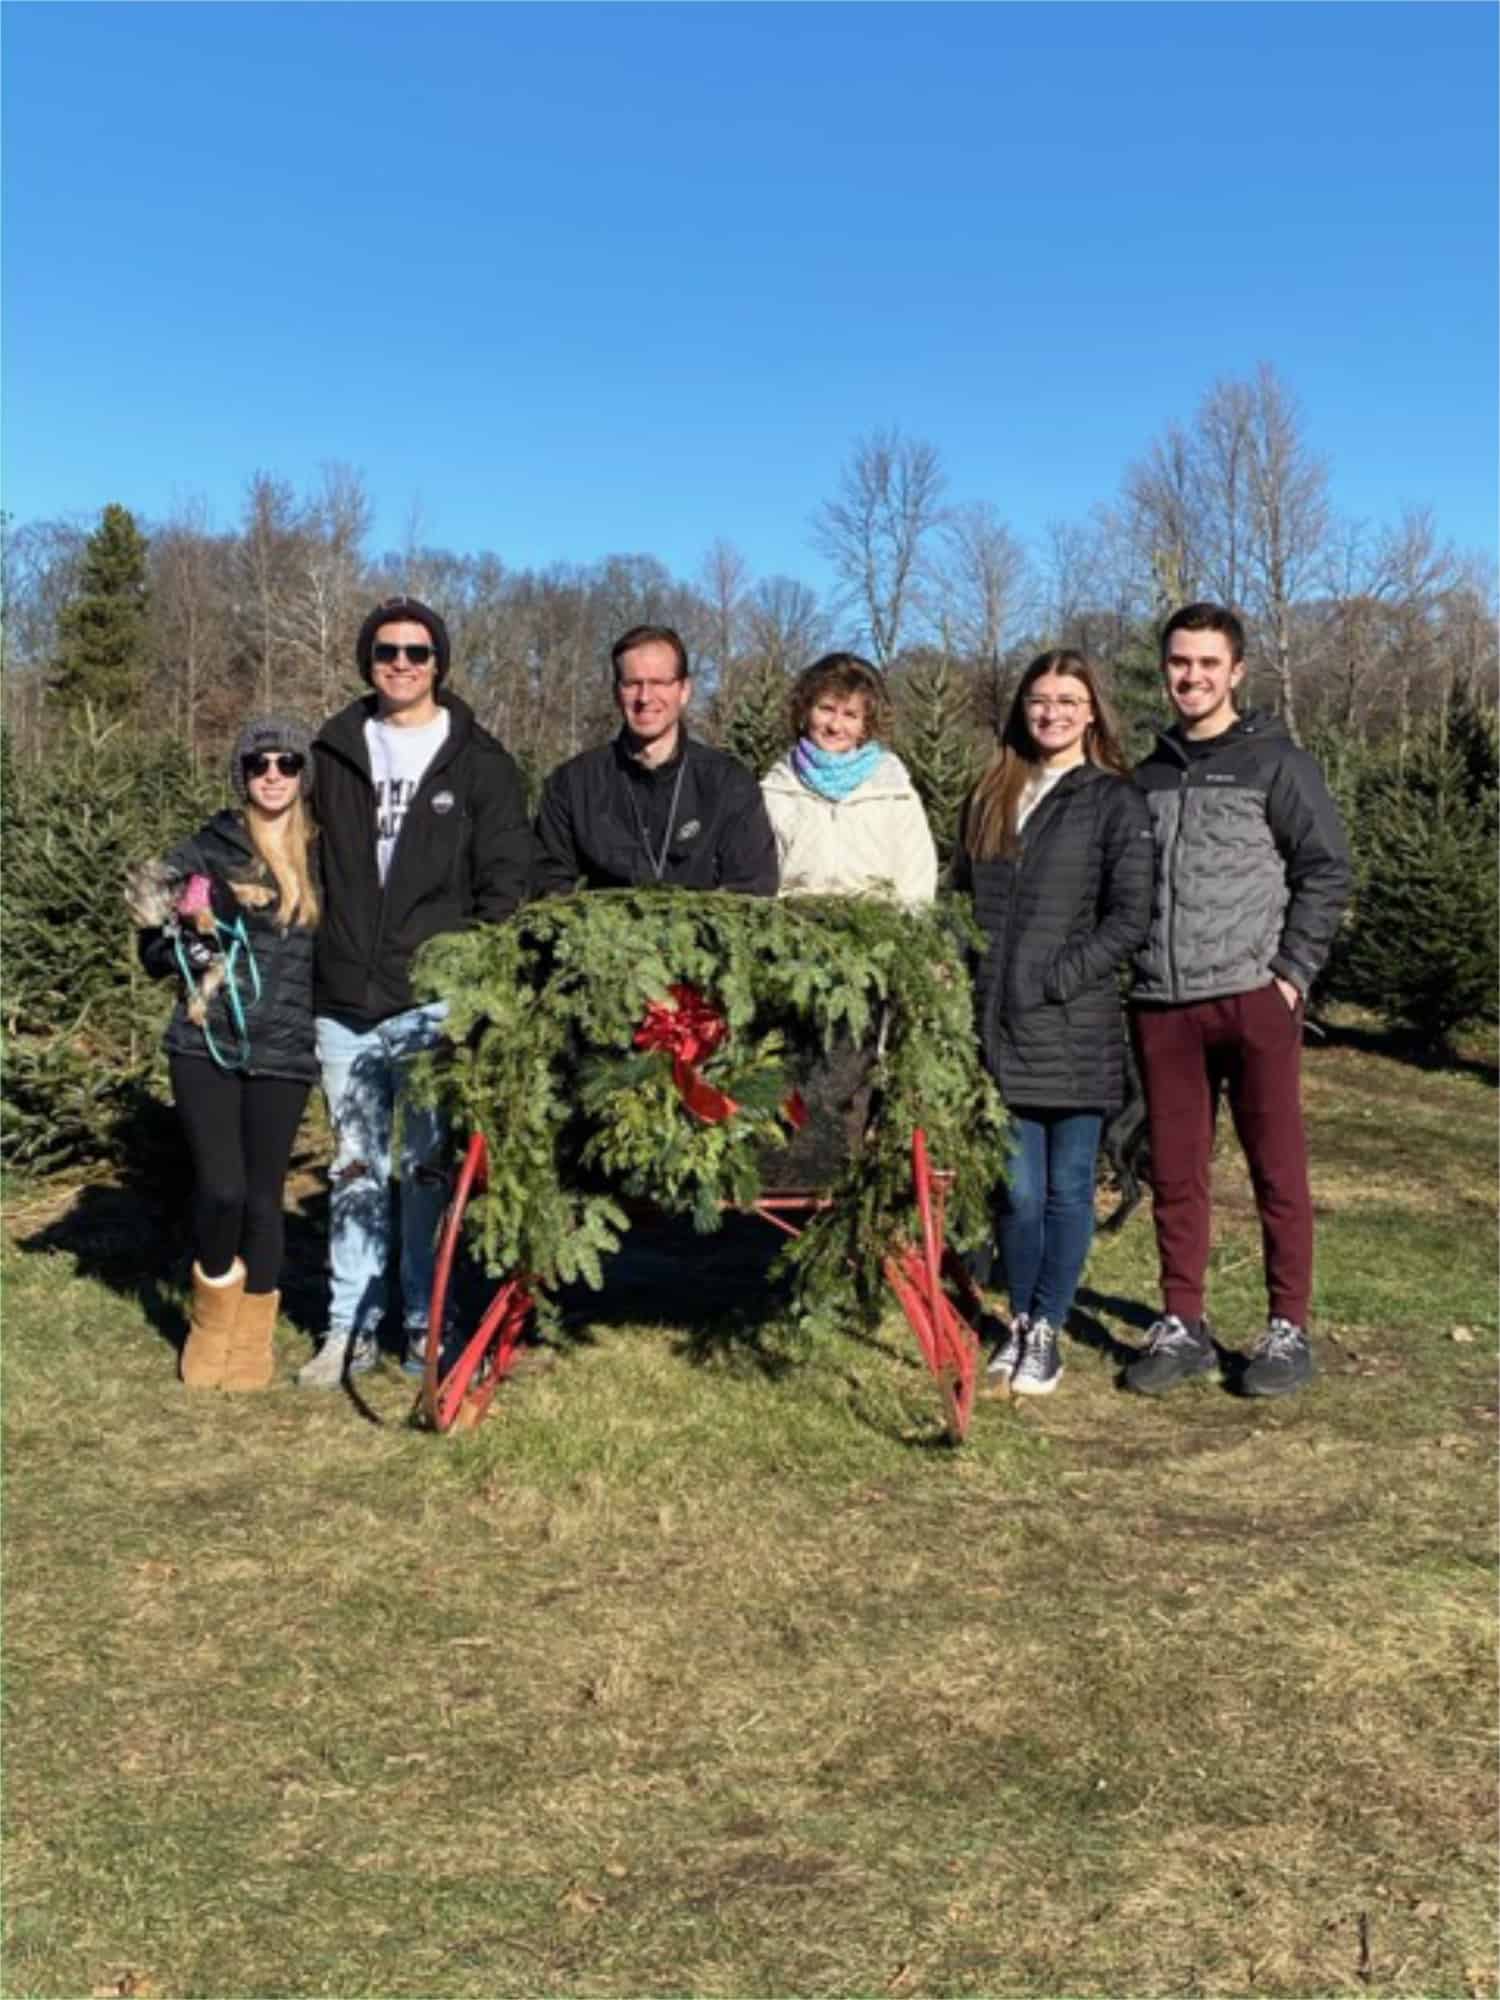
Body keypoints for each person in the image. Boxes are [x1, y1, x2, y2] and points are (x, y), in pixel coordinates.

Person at [299, 595, 534, 1388]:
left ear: (440, 663)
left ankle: (423, 1323)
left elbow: (507, 883)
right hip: (344, 997)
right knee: (356, 1165)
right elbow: (283, 848)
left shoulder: (480, 763)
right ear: (368, 660)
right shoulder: (332, 751)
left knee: (424, 1168)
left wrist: (470, 981)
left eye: (417, 652)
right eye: (387, 651)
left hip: (430, 1000)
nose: (401, 663)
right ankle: (346, 1328)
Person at [1125, 603, 1352, 1398]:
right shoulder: (1146, 773)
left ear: (1237, 671)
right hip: (1163, 1002)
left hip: (1253, 998)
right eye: (1179, 663)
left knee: (1277, 1169)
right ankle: (1181, 1321)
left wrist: (1290, 974)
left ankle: (1287, 1328)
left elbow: (1325, 868)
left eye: (1207, 664)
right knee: (1178, 1172)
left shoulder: (1275, 762)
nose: (1191, 677)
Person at [952, 651, 1154, 1397]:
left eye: (1069, 700)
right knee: (1015, 1190)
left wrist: (1056, 978)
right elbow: (962, 897)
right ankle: (1019, 1318)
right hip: (996, 1028)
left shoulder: (1113, 800)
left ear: (1092, 710)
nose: (1053, 713)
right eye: (1040, 699)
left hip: (1073, 1026)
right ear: (1022, 709)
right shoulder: (993, 793)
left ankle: (1046, 1326)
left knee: (1069, 1189)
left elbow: (1130, 916)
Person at [133, 718, 320, 1391]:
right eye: (259, 762)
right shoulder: (205, 850)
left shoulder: (323, 858)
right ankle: (211, 1319)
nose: (273, 774)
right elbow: (153, 937)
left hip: (286, 1048)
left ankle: (251, 1338)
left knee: (265, 1201)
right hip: (205, 1041)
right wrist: (189, 944)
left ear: (303, 774)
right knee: (222, 1189)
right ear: (241, 773)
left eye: (287, 762)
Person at [534, 625, 777, 895]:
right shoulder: (572, 785)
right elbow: (549, 888)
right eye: (632, 684)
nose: (645, 697)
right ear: (617, 691)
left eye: (659, 682)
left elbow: (752, 890)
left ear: (684, 690)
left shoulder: (729, 784)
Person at [761, 652, 937, 904]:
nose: (835, 725)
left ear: (867, 723)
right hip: (795, 931)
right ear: (805, 710)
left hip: (878, 933)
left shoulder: (894, 792)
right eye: (826, 709)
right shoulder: (777, 790)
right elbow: (762, 881)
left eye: (850, 715)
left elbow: (917, 878)